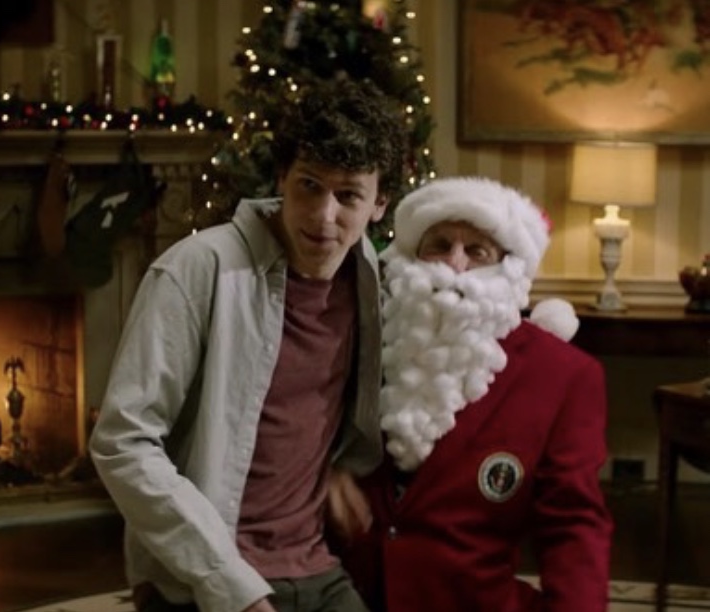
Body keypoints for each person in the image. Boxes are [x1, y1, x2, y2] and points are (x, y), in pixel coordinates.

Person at [88, 77, 408, 612]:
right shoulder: (196, 270)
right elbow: (122, 442)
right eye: (309, 185)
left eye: (348, 195)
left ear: (380, 204)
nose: (324, 216)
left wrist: (340, 467)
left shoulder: (368, 275)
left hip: (314, 564)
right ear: (281, 177)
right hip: (202, 579)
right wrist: (228, 583)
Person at [338, 176, 613, 610]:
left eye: (477, 251)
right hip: (346, 597)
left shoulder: (563, 377)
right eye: (439, 245)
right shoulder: (360, 341)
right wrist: (327, 473)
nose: (455, 264)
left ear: (508, 267)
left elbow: (573, 526)